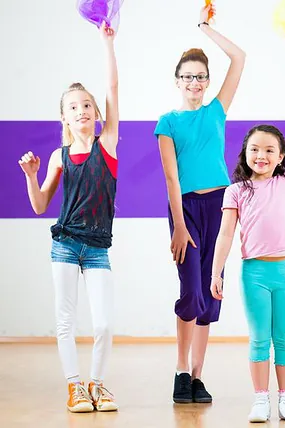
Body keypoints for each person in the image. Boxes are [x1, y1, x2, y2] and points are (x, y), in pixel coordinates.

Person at [17, 22, 120, 413]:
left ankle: (97, 384)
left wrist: (107, 44)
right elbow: (41, 205)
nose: (82, 110)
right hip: (65, 244)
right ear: (64, 117)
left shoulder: (107, 144)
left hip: (96, 248)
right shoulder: (60, 157)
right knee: (65, 320)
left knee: (105, 324)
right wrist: (30, 176)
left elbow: (112, 88)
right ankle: (75, 387)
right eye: (74, 107)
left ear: (96, 113)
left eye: (87, 105)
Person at [154, 3, 245, 404]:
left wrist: (207, 30)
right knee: (190, 291)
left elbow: (240, 58)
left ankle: (196, 376)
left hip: (222, 208)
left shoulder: (216, 110)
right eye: (188, 76)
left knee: (210, 295)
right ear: (177, 80)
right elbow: (172, 177)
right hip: (186, 210)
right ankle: (179, 369)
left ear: (207, 82)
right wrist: (178, 224)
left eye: (200, 77)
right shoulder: (168, 123)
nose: (194, 82)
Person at [210, 116, 285, 422]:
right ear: (245, 152)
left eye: (270, 150)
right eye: (255, 149)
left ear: (281, 156)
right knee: (259, 338)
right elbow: (226, 234)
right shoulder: (235, 191)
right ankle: (260, 399)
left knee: (284, 338)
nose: (262, 156)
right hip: (254, 274)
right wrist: (216, 272)